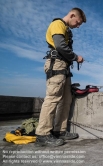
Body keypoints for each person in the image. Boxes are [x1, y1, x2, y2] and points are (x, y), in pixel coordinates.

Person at [35, 8, 86, 146]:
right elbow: (60, 46)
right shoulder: (58, 24)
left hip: (64, 66)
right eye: (78, 22)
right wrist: (76, 57)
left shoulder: (65, 28)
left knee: (66, 99)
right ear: (72, 15)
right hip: (57, 64)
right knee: (53, 98)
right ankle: (43, 134)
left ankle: (60, 130)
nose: (78, 25)